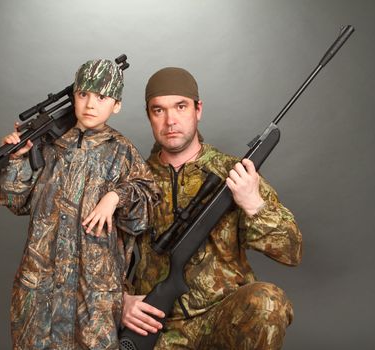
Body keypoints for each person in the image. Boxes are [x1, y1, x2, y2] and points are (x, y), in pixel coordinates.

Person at [122, 67, 303, 349]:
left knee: (268, 302)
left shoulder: (236, 174)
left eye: (180, 107)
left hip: (223, 321)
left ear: (198, 109)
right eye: (159, 110)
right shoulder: (133, 180)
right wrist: (120, 300)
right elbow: (101, 253)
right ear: (149, 116)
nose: (170, 120)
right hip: (156, 325)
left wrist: (253, 203)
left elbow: (292, 252)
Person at [0, 59, 160, 349]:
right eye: (83, 94)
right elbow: (14, 200)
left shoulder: (122, 152)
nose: (90, 104)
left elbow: (145, 209)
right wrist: (17, 158)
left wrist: (115, 196)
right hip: (40, 293)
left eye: (101, 97)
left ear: (117, 105)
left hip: (93, 298)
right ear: (74, 97)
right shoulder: (48, 146)